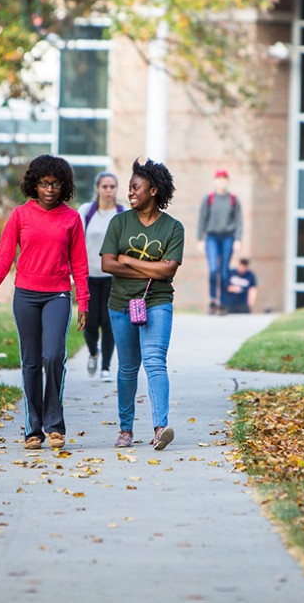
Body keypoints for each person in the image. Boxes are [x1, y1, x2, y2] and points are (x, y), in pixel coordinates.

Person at [0, 155, 89, 451]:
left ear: (63, 186)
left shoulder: (71, 218)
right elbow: (3, 257)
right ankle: (33, 429)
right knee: (30, 362)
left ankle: (54, 425)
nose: (49, 189)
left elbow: (80, 264)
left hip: (58, 295)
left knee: (52, 356)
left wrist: (84, 303)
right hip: (25, 295)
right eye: (43, 183)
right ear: (34, 185)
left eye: (55, 184)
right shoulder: (20, 215)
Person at [100, 158, 184, 451]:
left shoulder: (173, 228)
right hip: (121, 303)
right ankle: (125, 430)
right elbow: (108, 263)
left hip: (157, 302)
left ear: (153, 190)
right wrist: (151, 267)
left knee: (155, 361)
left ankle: (161, 427)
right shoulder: (119, 222)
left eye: (136, 187)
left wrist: (130, 260)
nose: (130, 192)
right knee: (127, 367)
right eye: (129, 188)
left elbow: (168, 271)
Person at [77, 172, 125, 381]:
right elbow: (76, 241)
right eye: (104, 186)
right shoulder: (86, 212)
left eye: (112, 186)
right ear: (97, 188)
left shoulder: (123, 213)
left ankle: (105, 368)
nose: (108, 190)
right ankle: (93, 352)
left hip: (113, 277)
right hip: (88, 276)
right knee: (90, 322)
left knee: (108, 322)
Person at [196, 168, 242, 315]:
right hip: (212, 237)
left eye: (224, 179)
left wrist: (238, 239)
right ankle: (213, 300)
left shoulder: (233, 199)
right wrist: (200, 239)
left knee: (224, 272)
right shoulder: (209, 199)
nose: (221, 182)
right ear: (215, 181)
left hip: (228, 237)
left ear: (227, 181)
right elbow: (202, 219)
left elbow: (239, 220)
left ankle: (223, 302)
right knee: (213, 270)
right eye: (219, 179)